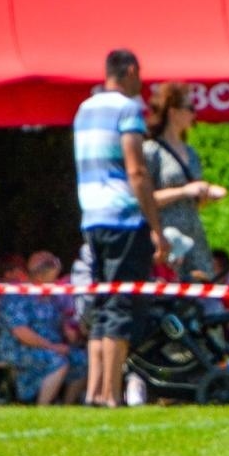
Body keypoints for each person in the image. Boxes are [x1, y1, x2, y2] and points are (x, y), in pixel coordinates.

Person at [75, 49, 166, 407]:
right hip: (123, 218)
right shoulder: (128, 109)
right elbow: (136, 170)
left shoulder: (85, 109)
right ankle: (112, 394)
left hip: (92, 216)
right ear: (129, 71)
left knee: (101, 302)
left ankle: (94, 391)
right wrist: (155, 227)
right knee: (121, 305)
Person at [144, 82, 227, 281]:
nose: (194, 114)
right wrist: (184, 191)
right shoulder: (151, 151)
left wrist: (205, 193)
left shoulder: (191, 152)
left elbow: (194, 199)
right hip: (166, 237)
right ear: (173, 112)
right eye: (190, 108)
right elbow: (144, 198)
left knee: (202, 291)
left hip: (193, 235)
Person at [0, 251, 88, 406]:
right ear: (39, 276)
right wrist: (53, 347)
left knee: (84, 360)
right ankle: (42, 408)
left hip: (51, 346)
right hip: (18, 347)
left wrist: (69, 331)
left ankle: (68, 407)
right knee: (58, 362)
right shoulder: (16, 295)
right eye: (52, 278)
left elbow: (60, 321)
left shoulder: (52, 296)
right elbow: (21, 333)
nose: (56, 282)